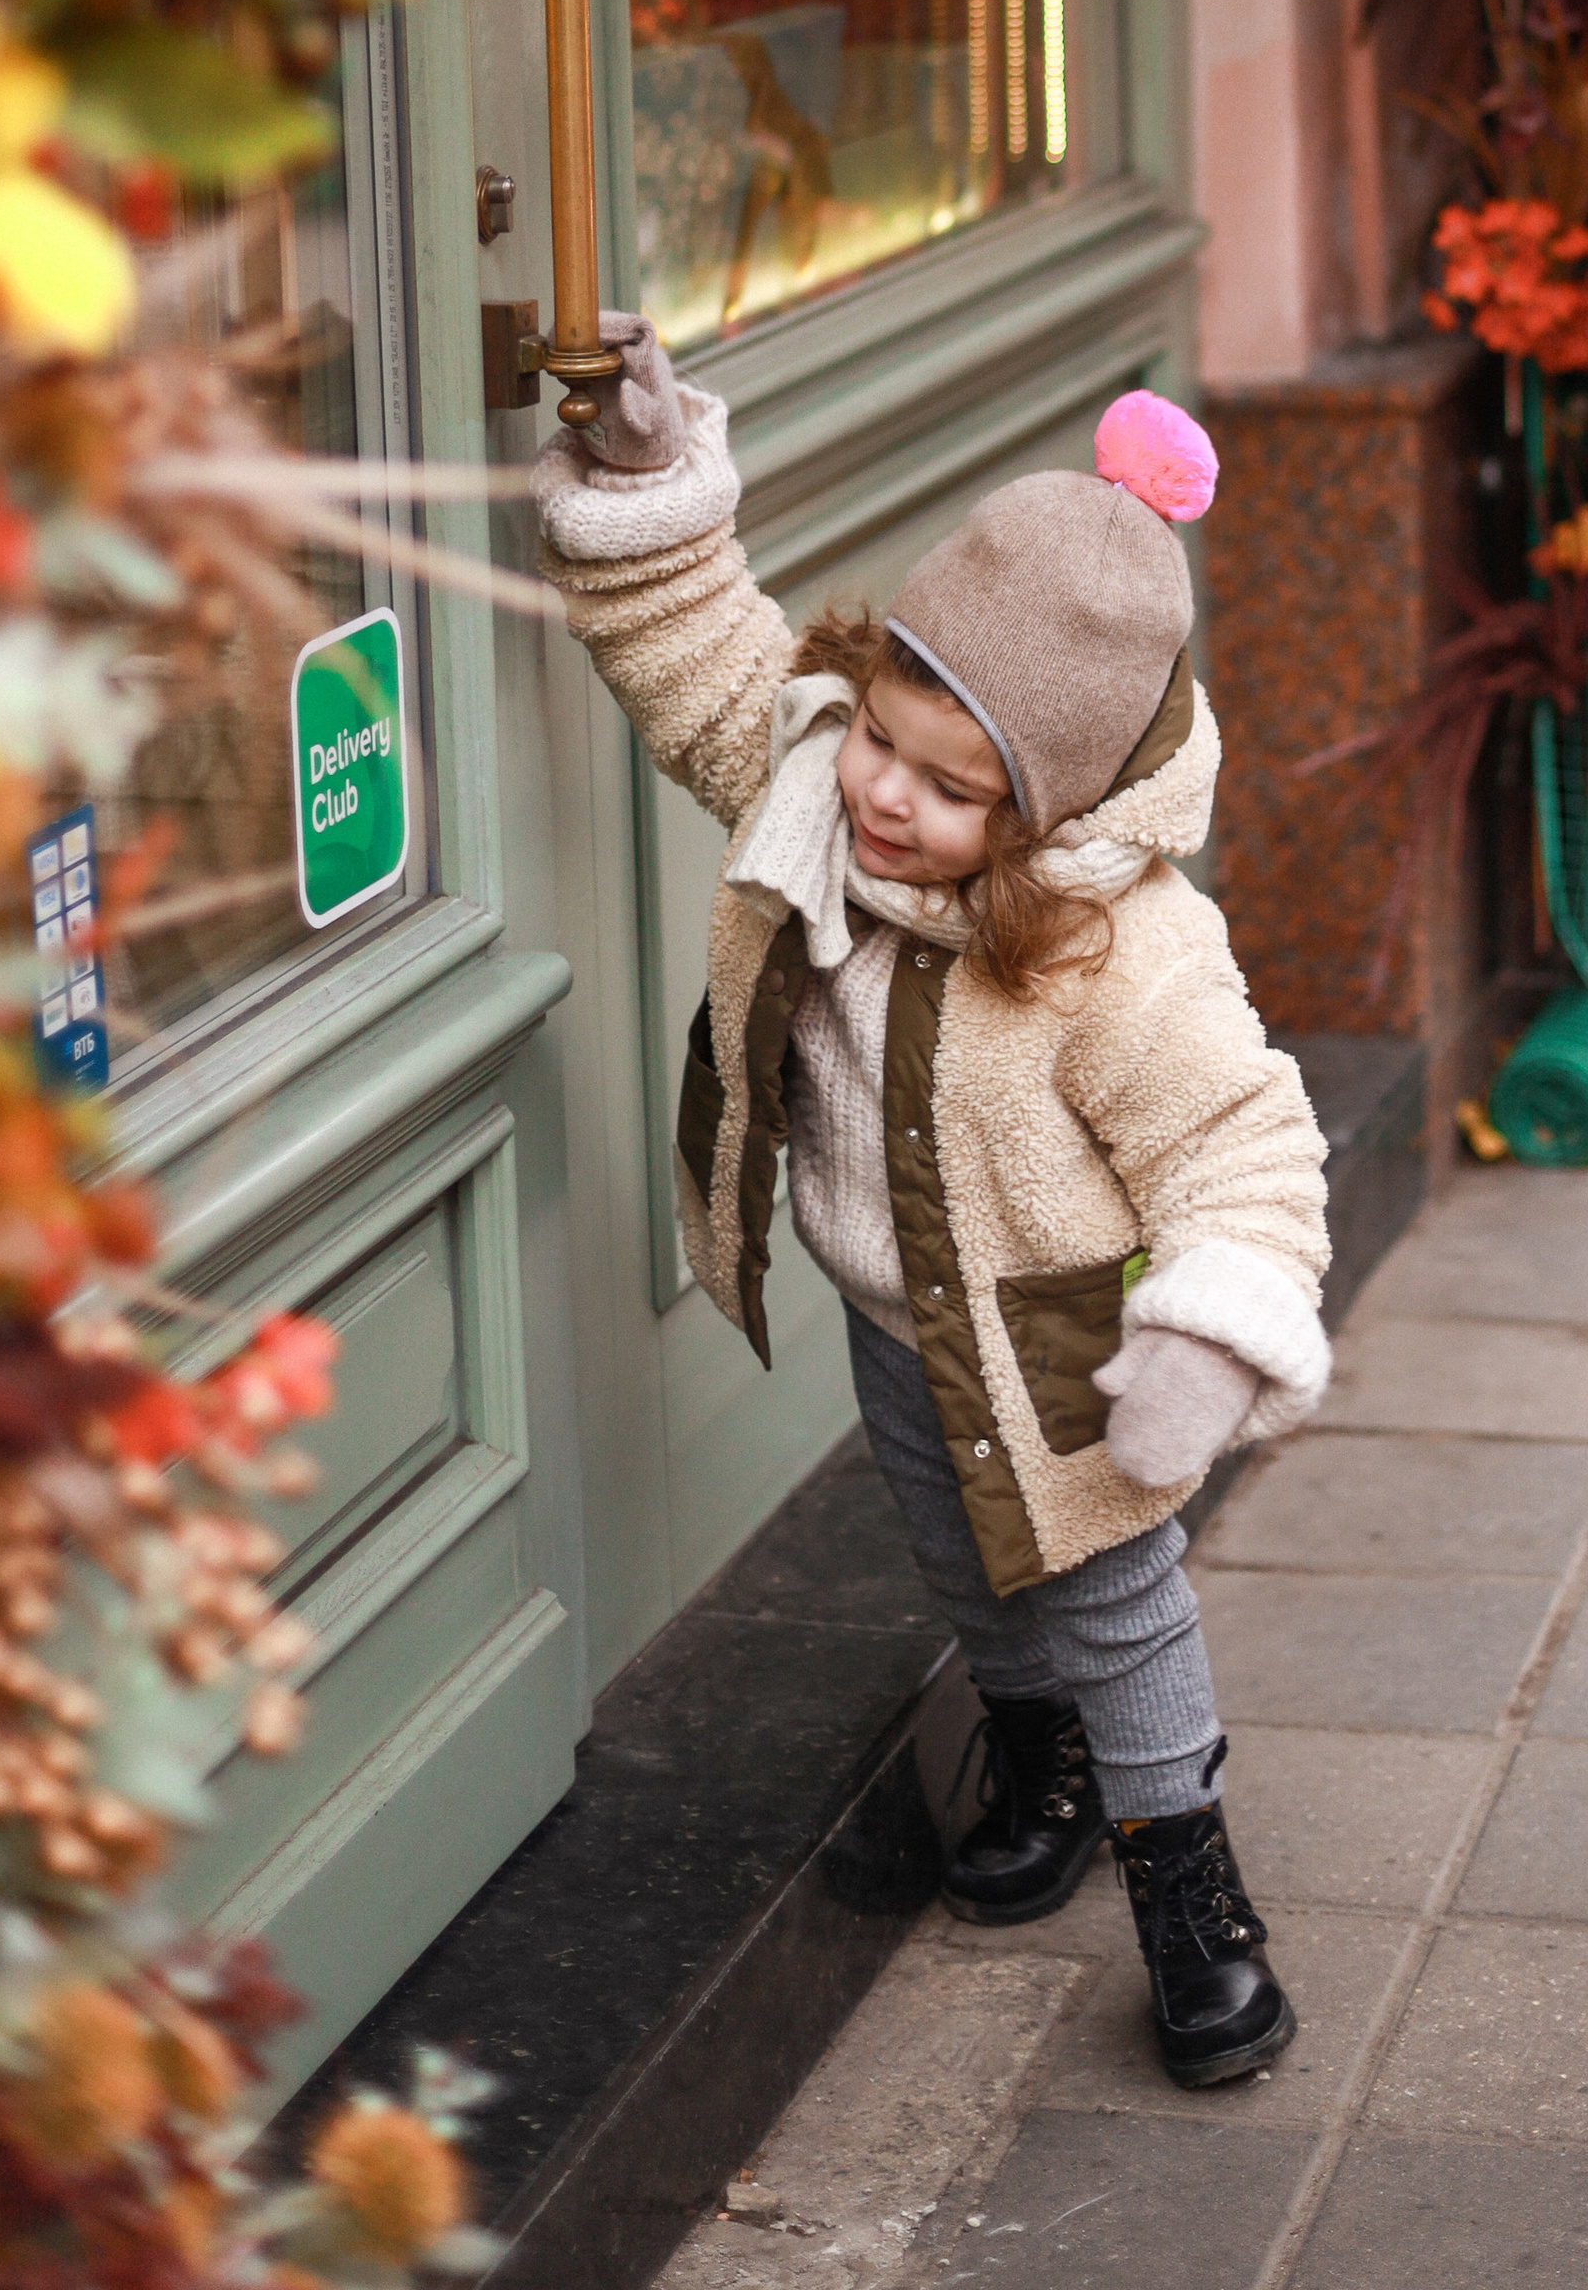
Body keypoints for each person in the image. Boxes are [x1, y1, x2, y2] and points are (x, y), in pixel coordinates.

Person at [535, 327, 1331, 2087]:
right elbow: (691, 649)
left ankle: (1190, 1894)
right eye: (884, 742)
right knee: (963, 1564)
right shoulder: (827, 789)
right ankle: (1029, 1747)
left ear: (1044, 810)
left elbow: (1244, 1144)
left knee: (1116, 1600)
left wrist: (1210, 1331)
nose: (887, 798)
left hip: (1067, 1334)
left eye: (951, 790)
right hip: (894, 1310)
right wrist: (650, 486)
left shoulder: (1126, 956)